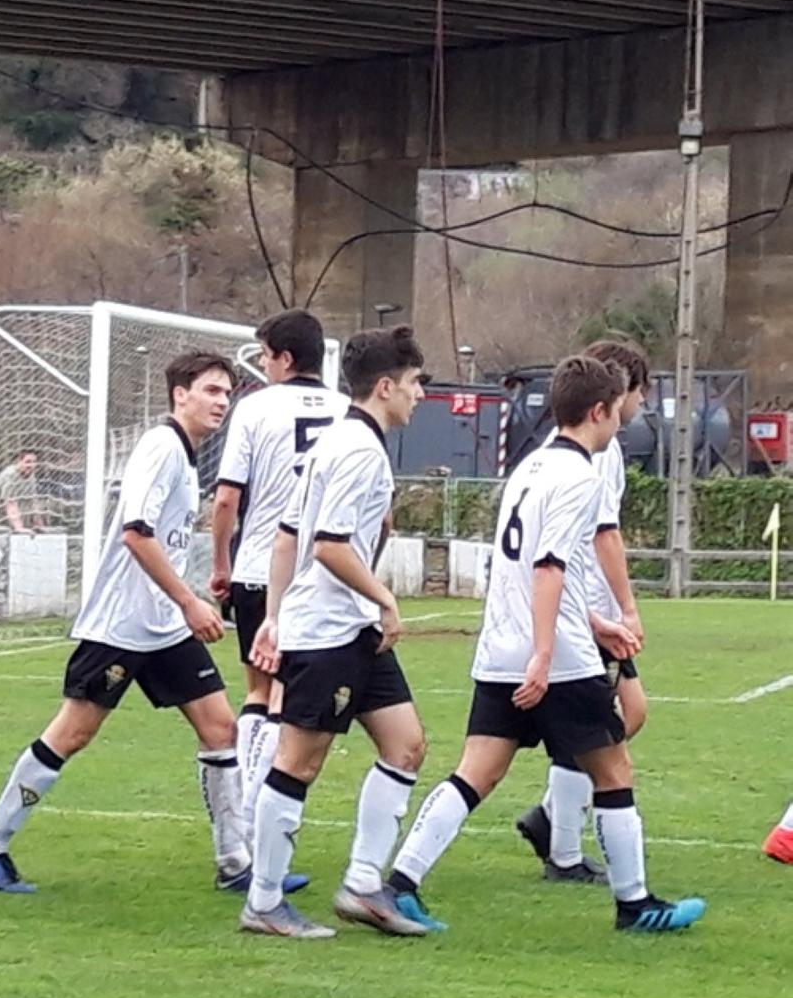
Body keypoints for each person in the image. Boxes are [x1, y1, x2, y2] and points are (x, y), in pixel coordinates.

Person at [386, 355, 706, 934]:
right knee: (614, 769)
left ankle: (399, 884)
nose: (620, 422)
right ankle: (634, 904)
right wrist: (545, 652)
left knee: (475, 772)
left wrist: (594, 621)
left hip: (501, 647)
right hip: (555, 657)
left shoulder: (529, 468)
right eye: (617, 411)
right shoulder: (581, 477)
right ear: (599, 411)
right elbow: (549, 567)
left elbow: (535, 567)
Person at [0, 350, 265, 895]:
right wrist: (188, 602)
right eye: (211, 390)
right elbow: (135, 533)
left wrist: (185, 599)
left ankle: (236, 862)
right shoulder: (160, 446)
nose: (222, 402)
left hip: (162, 625)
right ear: (180, 394)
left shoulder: (185, 456)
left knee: (222, 729)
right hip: (122, 624)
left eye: (226, 393)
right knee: (73, 732)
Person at [239, 326, 431, 940]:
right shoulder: (357, 449)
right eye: (415, 382)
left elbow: (287, 535)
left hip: (348, 627)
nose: (420, 394)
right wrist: (385, 598)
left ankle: (363, 886)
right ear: (385, 386)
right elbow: (328, 546)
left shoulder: (342, 440)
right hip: (329, 632)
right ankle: (264, 901)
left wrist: (273, 616)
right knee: (299, 761)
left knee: (406, 745)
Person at [208, 309, 349, 855]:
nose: (264, 367)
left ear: (285, 359)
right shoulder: (347, 411)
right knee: (288, 699)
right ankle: (259, 820)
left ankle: (245, 820)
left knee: (259, 691)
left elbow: (227, 497)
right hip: (323, 575)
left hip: (258, 570)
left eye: (266, 357)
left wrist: (220, 562)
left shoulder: (254, 408)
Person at [514, 339, 652, 882]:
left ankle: (555, 822)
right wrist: (626, 607)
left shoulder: (564, 447)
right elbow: (604, 533)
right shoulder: (599, 450)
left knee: (618, 718)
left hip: (578, 606)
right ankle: (563, 841)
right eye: (639, 392)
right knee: (610, 725)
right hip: (583, 605)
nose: (639, 404)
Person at [0, 449, 45, 533]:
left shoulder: (31, 476)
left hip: (13, 525)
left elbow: (34, 504)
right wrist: (19, 528)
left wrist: (40, 526)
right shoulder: (9, 475)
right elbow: (10, 503)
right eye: (28, 462)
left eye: (34, 462)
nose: (31, 465)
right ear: (19, 461)